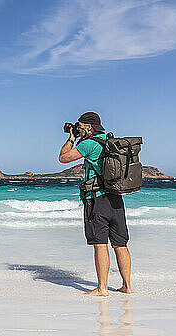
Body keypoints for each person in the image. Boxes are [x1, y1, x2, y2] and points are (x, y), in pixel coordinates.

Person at [58, 112, 133, 296]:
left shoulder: (89, 144)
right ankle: (127, 286)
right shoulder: (109, 141)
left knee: (100, 243)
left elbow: (63, 158)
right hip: (116, 198)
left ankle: (102, 288)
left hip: (97, 199)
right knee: (120, 244)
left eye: (81, 126)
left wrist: (71, 139)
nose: (78, 128)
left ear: (89, 127)